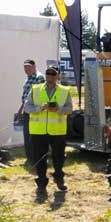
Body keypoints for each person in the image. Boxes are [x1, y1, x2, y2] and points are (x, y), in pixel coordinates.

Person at [23, 65, 73, 197]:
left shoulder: (64, 90)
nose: (50, 76)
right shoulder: (35, 89)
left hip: (57, 131)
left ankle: (59, 179)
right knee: (39, 159)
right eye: (48, 73)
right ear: (45, 75)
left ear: (58, 76)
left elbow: (69, 109)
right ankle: (41, 184)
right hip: (38, 131)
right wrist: (40, 108)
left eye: (53, 74)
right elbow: (27, 107)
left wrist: (58, 110)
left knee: (59, 158)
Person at [18, 59, 45, 165]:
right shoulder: (28, 79)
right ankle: (30, 159)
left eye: (28, 67)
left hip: (34, 112)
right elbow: (25, 96)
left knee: (33, 136)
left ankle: (35, 159)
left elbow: (38, 96)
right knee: (27, 135)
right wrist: (21, 109)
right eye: (25, 67)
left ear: (34, 67)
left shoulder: (39, 77)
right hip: (26, 111)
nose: (26, 69)